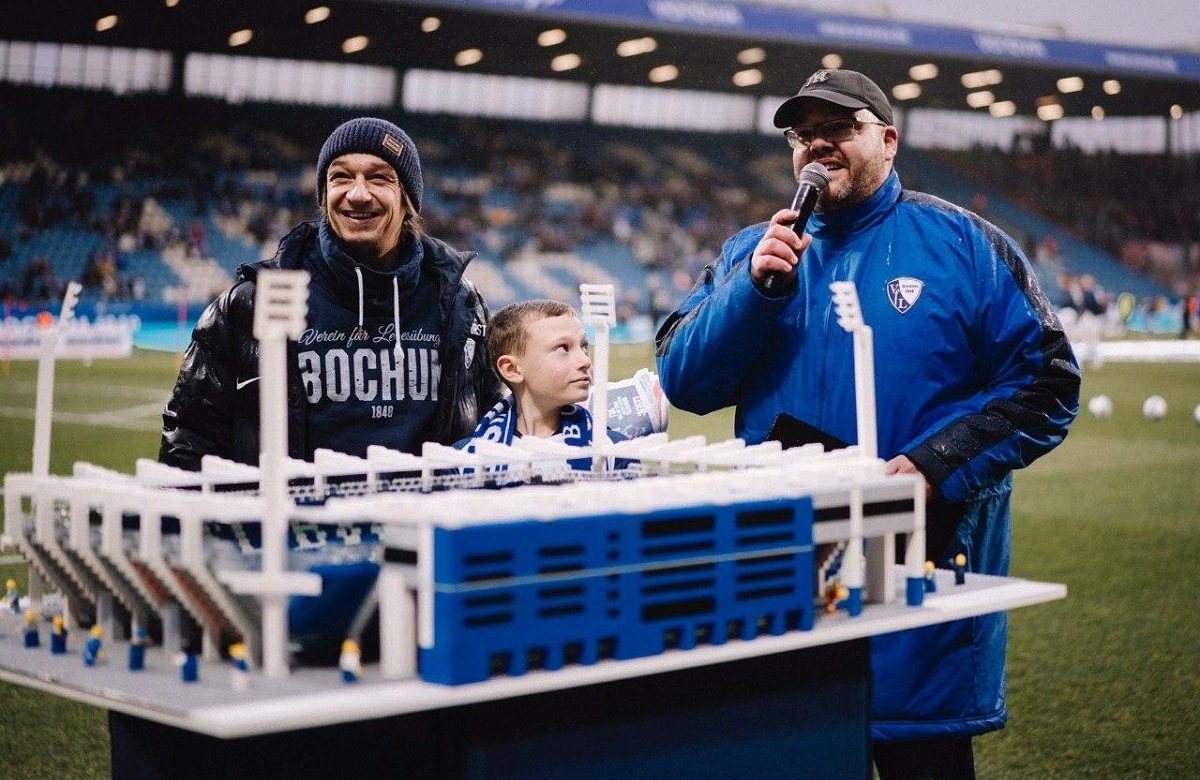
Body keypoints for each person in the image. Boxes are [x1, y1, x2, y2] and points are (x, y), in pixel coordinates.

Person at [655, 68, 1080, 777]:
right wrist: (753, 292)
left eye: (839, 128)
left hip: (921, 577)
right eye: (803, 135)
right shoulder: (749, 253)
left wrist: (938, 463)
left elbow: (1049, 382)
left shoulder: (965, 245)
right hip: (786, 581)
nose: (817, 146)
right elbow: (685, 383)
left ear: (888, 139)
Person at [160, 116, 503, 469]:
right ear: (324, 197)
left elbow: (493, 431)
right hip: (291, 507)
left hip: (426, 506)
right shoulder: (250, 304)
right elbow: (189, 438)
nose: (358, 194)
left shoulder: (462, 307)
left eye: (379, 178)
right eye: (340, 177)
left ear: (408, 201)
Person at [457, 299, 626, 476]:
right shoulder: (463, 459)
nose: (585, 361)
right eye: (563, 348)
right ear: (511, 369)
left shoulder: (614, 451)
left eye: (584, 346)